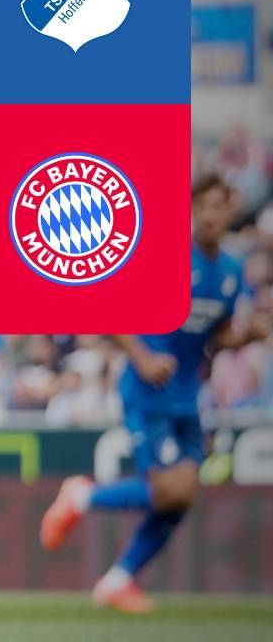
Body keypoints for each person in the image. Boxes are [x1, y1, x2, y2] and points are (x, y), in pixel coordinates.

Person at [39, 174, 269, 613]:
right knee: (169, 488)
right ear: (191, 210)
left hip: (187, 394)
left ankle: (116, 581)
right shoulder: (166, 256)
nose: (209, 215)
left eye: (218, 206)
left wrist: (247, 337)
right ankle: (80, 497)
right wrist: (142, 357)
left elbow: (217, 337)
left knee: (182, 496)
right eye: (202, 205)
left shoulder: (230, 270)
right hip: (146, 392)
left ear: (230, 211)